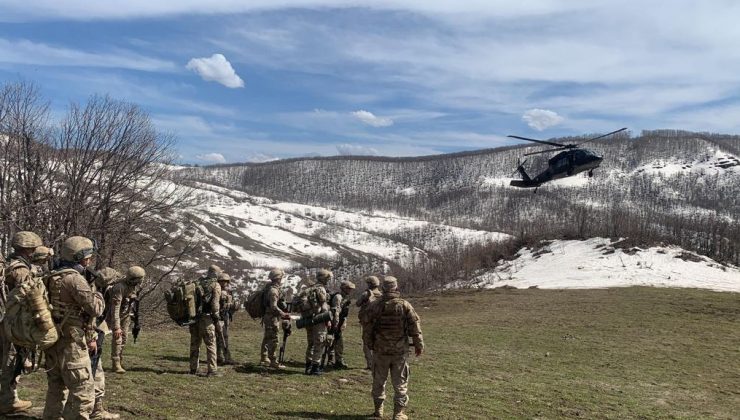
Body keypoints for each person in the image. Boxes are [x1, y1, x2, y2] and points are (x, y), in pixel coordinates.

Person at [43, 236, 105, 419]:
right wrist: (99, 293)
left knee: (56, 387)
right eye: (88, 257)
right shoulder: (74, 279)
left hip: (53, 340)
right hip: (72, 344)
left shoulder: (50, 276)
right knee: (83, 390)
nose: (90, 261)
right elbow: (95, 308)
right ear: (81, 257)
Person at [363, 276, 424, 420]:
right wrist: (418, 345)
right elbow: (415, 327)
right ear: (396, 288)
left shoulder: (374, 305)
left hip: (380, 351)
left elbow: (367, 328)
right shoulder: (405, 305)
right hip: (399, 352)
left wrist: (370, 344)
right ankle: (398, 413)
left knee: (379, 381)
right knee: (400, 383)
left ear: (383, 288)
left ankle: (378, 411)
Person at [0, 231, 42, 415]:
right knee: (11, 359)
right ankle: (8, 400)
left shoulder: (9, 265)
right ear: (29, 250)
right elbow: (31, 297)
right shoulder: (21, 270)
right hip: (13, 321)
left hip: (5, 318)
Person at [88, 267, 122, 420]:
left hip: (94, 335)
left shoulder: (96, 289)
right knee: (93, 372)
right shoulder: (97, 294)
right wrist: (92, 337)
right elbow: (93, 318)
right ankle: (95, 409)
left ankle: (95, 408)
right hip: (92, 336)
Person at [107, 266, 145, 374]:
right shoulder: (120, 287)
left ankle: (120, 359)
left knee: (124, 339)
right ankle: (116, 364)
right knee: (118, 339)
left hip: (126, 315)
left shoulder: (134, 286)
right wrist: (116, 327)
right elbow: (115, 308)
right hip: (116, 316)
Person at [189, 264, 222, 376]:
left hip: (194, 318)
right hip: (206, 319)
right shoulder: (215, 285)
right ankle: (212, 370)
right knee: (211, 344)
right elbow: (215, 305)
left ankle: (193, 368)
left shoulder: (197, 282)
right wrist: (216, 318)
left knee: (195, 344)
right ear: (216, 274)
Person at [260, 268, 292, 369]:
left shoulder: (269, 288)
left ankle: (264, 358)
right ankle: (273, 361)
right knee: (274, 339)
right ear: (278, 278)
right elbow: (273, 306)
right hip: (272, 317)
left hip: (268, 316)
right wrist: (283, 314)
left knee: (267, 337)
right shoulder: (274, 291)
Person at [303, 268, 331, 375]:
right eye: (327, 278)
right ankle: (315, 367)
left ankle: (308, 366)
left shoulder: (311, 288)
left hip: (309, 319)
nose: (328, 280)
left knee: (310, 343)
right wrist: (328, 320)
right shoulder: (321, 289)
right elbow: (324, 307)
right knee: (319, 343)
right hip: (319, 319)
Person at [325, 280, 355, 369]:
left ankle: (338, 361)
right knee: (331, 341)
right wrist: (335, 324)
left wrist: (344, 322)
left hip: (340, 322)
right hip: (334, 322)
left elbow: (345, 312)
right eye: (348, 289)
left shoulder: (345, 298)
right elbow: (336, 312)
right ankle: (330, 361)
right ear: (344, 288)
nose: (350, 290)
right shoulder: (338, 297)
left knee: (338, 342)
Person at [356, 275, 382, 370]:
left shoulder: (366, 294)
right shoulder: (381, 294)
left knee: (366, 343)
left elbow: (357, 303)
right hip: (378, 322)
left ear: (369, 284)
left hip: (367, 322)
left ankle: (370, 364)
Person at [216, 272, 237, 365]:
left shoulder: (229, 291)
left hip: (226, 316)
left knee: (224, 337)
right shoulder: (217, 291)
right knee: (221, 337)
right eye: (222, 281)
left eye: (226, 281)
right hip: (219, 316)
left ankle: (222, 357)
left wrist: (234, 305)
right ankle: (223, 357)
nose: (224, 283)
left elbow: (231, 304)